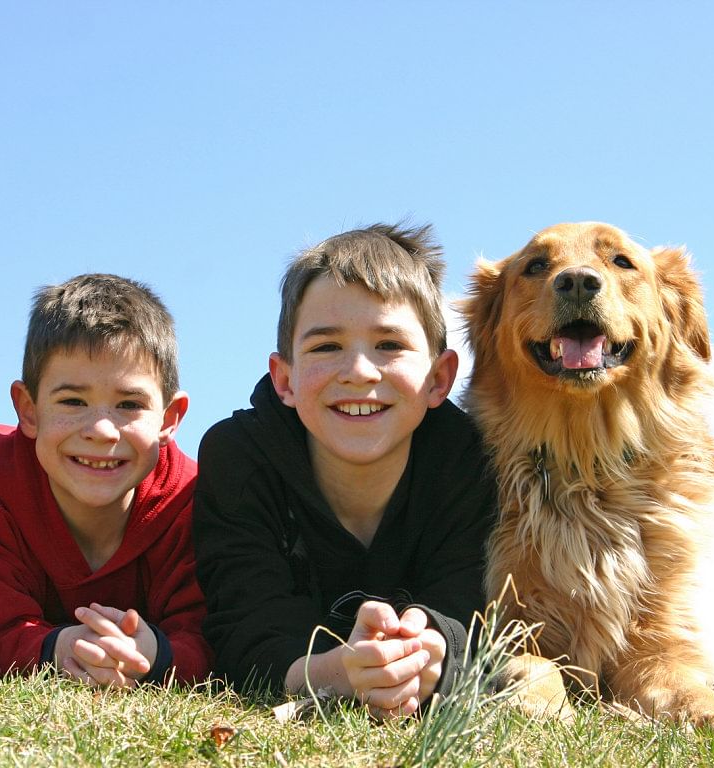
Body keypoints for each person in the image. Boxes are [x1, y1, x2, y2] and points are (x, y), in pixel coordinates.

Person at [193, 222, 495, 718]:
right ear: (284, 379)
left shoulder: (469, 463)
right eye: (326, 347)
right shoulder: (240, 457)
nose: (358, 371)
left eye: (389, 345)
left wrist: (429, 649)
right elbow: (242, 627)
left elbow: (473, 607)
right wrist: (339, 672)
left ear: (440, 378)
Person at [0, 274, 211, 687]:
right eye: (73, 401)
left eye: (129, 404)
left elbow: (213, 639)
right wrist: (59, 648)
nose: (102, 430)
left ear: (170, 418)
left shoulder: (190, 502)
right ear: (28, 410)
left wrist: (155, 655)